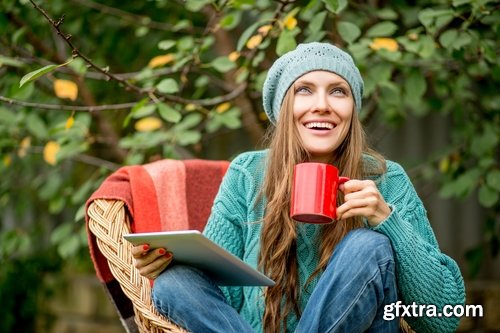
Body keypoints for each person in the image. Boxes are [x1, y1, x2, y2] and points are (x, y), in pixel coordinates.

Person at [131, 42, 465, 333]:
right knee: (175, 283)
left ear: (353, 110)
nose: (322, 104)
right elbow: (225, 292)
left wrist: (386, 219)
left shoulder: (385, 179)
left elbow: (442, 318)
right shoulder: (248, 173)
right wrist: (168, 264)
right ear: (283, 107)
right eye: (304, 90)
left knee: (367, 246)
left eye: (338, 91)